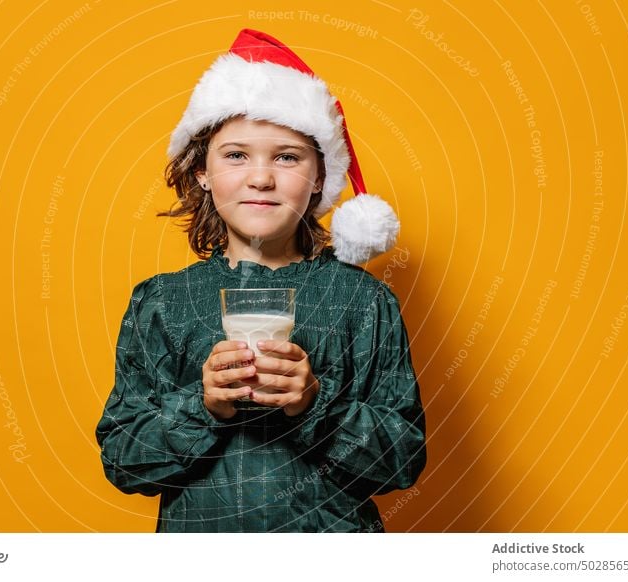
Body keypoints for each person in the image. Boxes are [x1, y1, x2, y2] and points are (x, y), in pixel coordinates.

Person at [95, 28, 426, 532]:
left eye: (287, 156)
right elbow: (123, 461)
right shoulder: (162, 302)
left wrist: (315, 402)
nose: (261, 178)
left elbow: (402, 462)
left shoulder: (364, 302)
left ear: (319, 177)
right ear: (201, 170)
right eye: (235, 154)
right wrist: (202, 406)